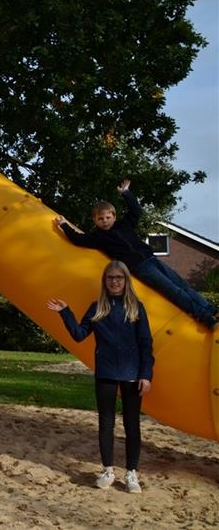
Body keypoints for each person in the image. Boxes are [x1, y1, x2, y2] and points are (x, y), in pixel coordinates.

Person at [47, 260, 154, 493]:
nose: (115, 281)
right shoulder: (97, 308)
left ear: (126, 281)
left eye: (119, 278)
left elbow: (146, 343)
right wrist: (65, 312)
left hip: (132, 373)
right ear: (104, 282)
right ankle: (107, 470)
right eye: (110, 278)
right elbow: (78, 335)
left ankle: (131, 473)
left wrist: (146, 374)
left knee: (132, 425)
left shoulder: (136, 307)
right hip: (105, 371)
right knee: (106, 424)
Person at [54, 179, 217, 329]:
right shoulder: (98, 237)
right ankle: (205, 317)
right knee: (174, 291)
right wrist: (64, 225)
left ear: (114, 216)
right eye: (100, 219)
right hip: (140, 268)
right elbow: (78, 239)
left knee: (182, 285)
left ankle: (210, 309)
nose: (104, 221)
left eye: (107, 217)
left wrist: (126, 193)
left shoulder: (124, 225)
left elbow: (136, 211)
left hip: (151, 258)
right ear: (95, 220)